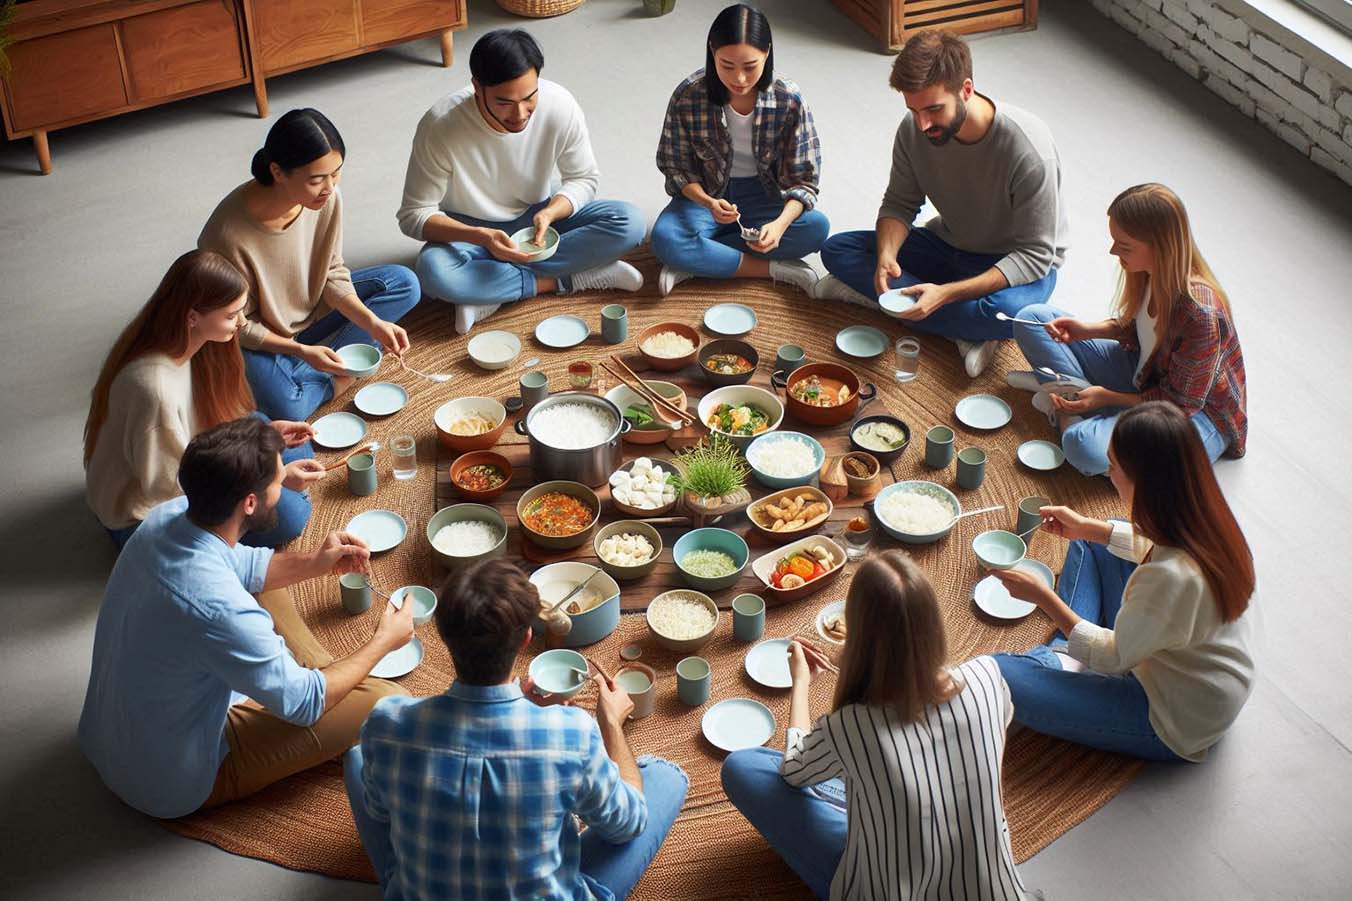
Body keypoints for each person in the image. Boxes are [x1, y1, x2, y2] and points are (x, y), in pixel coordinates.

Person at [78, 417, 413, 818]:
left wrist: (318, 563)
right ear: (249, 502)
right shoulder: (216, 605)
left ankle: (320, 675)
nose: (282, 484)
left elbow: (250, 568)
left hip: (113, 734)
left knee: (266, 584)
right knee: (389, 700)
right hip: (169, 780)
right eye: (277, 480)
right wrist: (383, 641)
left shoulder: (167, 516)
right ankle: (324, 679)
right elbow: (303, 706)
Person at [346, 559, 688, 900]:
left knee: (360, 756)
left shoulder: (386, 723)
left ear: (442, 635)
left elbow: (380, 812)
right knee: (664, 776)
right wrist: (611, 724)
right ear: (527, 638)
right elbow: (628, 825)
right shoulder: (573, 734)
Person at [722, 552, 1037, 900]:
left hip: (885, 891)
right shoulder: (988, 676)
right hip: (993, 891)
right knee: (864, 773)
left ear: (858, 635)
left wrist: (801, 682)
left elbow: (793, 769)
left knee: (743, 767)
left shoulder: (852, 726)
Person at [993, 401, 1256, 763]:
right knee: (1091, 538)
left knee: (999, 675)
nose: (1109, 472)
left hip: (1173, 714)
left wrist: (1044, 597)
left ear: (1145, 483)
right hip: (1195, 673)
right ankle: (1065, 654)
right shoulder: (1208, 518)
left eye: (1114, 466)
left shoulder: (1170, 577)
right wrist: (1086, 527)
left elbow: (1115, 658)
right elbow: (1150, 545)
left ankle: (1060, 657)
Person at [815, 29, 1067, 378]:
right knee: (838, 250)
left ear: (966, 90)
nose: (922, 123)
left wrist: (946, 294)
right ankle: (960, 329)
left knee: (1011, 315)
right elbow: (900, 202)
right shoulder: (914, 128)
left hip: (1016, 267)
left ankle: (893, 305)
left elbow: (1035, 255)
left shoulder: (1028, 150)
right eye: (913, 109)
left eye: (934, 109)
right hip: (950, 246)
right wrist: (888, 254)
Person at [398, 29, 646, 335]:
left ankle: (490, 292)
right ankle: (573, 278)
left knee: (629, 222)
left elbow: (583, 177)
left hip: (538, 215)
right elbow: (413, 215)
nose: (519, 114)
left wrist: (551, 212)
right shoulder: (441, 126)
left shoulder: (559, 106)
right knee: (434, 273)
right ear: (478, 87)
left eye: (530, 98)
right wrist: (483, 237)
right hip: (472, 232)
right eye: (504, 102)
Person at [84, 249, 323, 549]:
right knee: (290, 514)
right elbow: (178, 492)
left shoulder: (195, 343)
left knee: (271, 434)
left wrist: (265, 437)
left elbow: (212, 419)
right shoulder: (153, 390)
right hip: (144, 518)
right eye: (230, 315)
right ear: (193, 317)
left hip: (188, 458)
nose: (240, 323)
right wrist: (273, 482)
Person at [1008, 183, 1246, 476]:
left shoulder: (1202, 316)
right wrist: (1087, 330)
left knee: (1083, 449)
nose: (1112, 251)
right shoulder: (1150, 272)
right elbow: (1141, 330)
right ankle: (1079, 401)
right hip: (1145, 375)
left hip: (1195, 417)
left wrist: (1107, 397)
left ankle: (1068, 404)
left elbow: (1178, 406)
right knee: (1030, 318)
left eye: (1124, 245)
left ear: (1159, 246)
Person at [200, 108, 420, 421]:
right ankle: (338, 374)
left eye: (336, 173)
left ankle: (319, 365)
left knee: (404, 284)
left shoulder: (327, 198)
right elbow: (238, 325)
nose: (330, 188)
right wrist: (299, 351)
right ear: (278, 172)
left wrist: (372, 323)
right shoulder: (226, 235)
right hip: (263, 336)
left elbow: (332, 272)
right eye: (317, 179)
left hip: (313, 311)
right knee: (288, 408)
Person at [651, 3, 828, 298]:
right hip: (706, 195)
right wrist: (708, 202)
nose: (740, 79)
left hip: (764, 197)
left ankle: (701, 259)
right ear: (712, 51)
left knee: (817, 228)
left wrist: (781, 225)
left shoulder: (789, 99)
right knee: (664, 240)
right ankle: (772, 269)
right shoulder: (689, 94)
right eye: (727, 65)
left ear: (767, 53)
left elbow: (804, 182)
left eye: (750, 66)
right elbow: (675, 167)